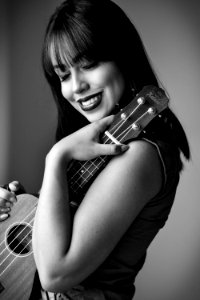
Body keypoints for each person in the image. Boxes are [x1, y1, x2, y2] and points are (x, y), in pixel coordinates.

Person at [0, 0, 190, 299]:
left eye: (88, 65)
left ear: (122, 57)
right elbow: (49, 244)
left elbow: (54, 273)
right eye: (63, 75)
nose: (76, 87)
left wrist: (56, 159)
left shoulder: (140, 156)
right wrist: (20, 213)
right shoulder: (94, 146)